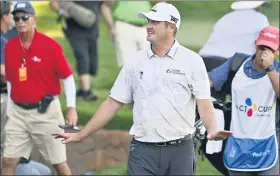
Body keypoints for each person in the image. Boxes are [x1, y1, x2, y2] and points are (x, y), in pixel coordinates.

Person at [53, 2, 232, 175]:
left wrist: (213, 129)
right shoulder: (134, 61)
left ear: (171, 27)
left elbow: (204, 102)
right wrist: (82, 134)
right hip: (143, 150)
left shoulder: (192, 61)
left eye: (155, 22)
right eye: (148, 21)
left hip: (180, 151)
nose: (148, 26)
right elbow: (112, 103)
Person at [2, 2, 78, 175]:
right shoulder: (10, 46)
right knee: (8, 160)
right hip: (17, 113)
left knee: (59, 164)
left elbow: (67, 78)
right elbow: (11, 80)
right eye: (16, 17)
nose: (20, 21)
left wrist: (72, 108)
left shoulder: (50, 46)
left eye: (25, 17)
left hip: (46, 113)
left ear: (34, 19)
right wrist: (10, 107)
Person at [208, 26, 279, 176]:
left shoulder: (276, 70)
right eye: (261, 47)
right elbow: (209, 81)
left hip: (270, 143)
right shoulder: (237, 63)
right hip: (238, 143)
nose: (264, 52)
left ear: (277, 51)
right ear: (255, 44)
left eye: (270, 49)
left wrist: (270, 68)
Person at [50, 0, 115, 101]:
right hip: (75, 28)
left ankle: (81, 88)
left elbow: (106, 5)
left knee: (91, 60)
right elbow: (54, 2)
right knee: (82, 56)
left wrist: (111, 26)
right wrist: (62, 12)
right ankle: (86, 91)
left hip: (93, 28)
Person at [199, 1, 269, 72]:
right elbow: (264, 45)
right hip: (230, 63)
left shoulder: (226, 17)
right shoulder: (260, 18)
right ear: (256, 7)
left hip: (204, 59)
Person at [102, 1, 152, 68]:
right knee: (127, 66)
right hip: (124, 25)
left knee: (149, 65)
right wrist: (111, 27)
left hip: (146, 27)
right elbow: (106, 5)